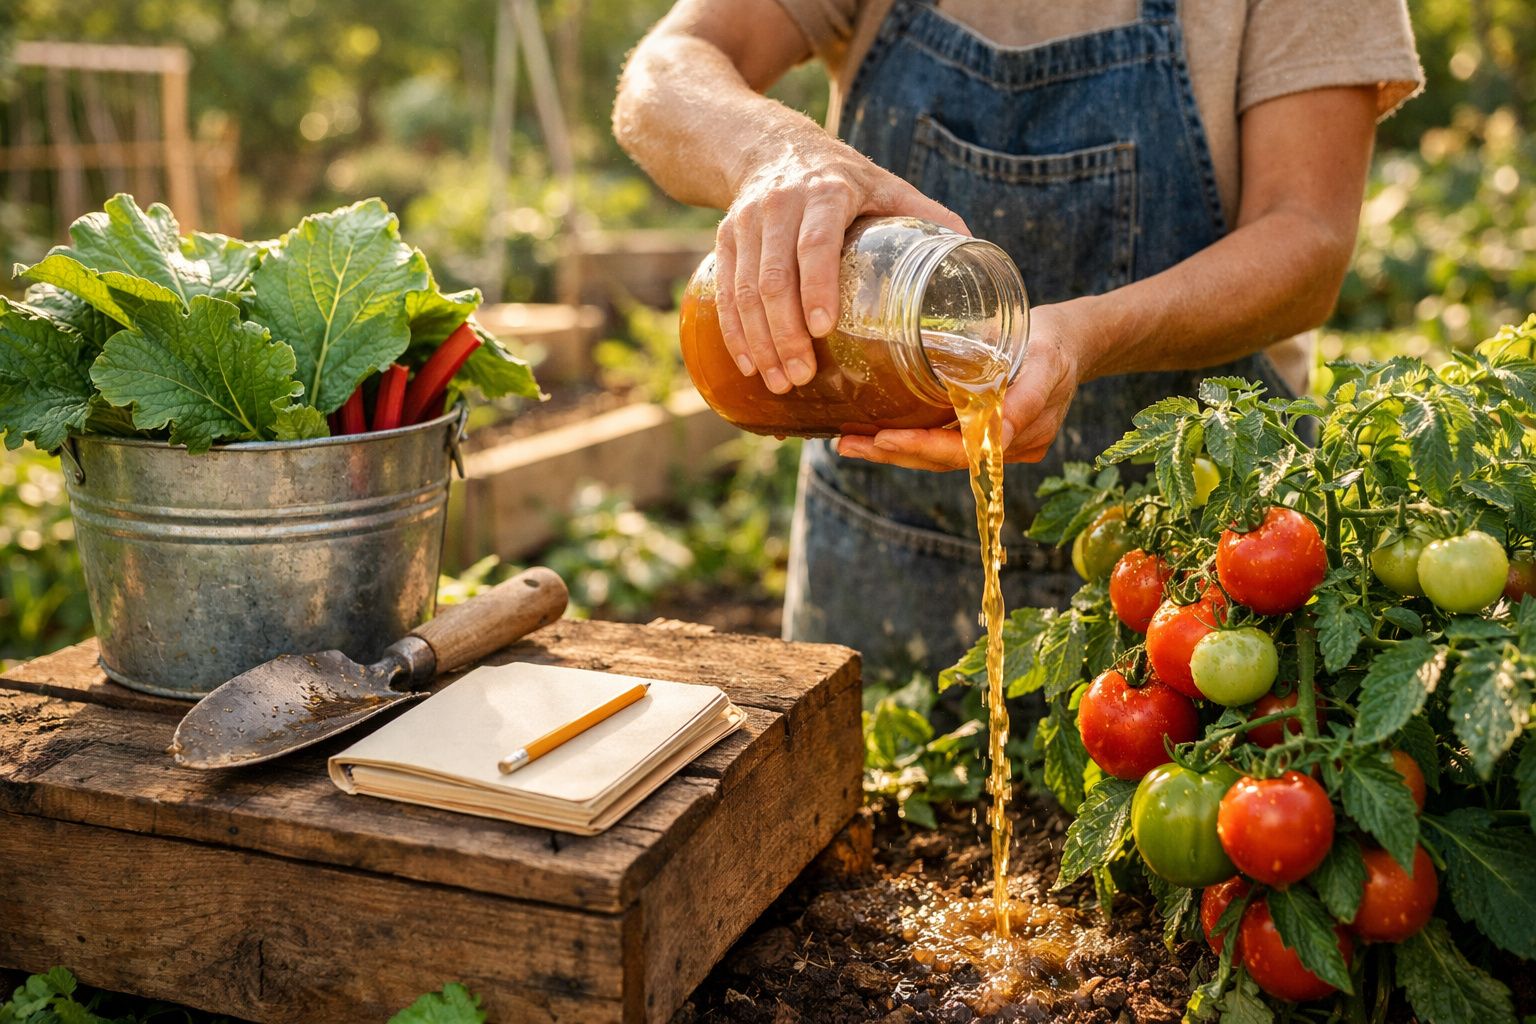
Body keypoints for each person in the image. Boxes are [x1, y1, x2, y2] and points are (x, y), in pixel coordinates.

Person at [614, 0, 1423, 681]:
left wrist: (1082, 335)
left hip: (1191, 563)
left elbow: (1308, 235)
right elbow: (666, 69)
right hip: (887, 540)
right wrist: (774, 152)